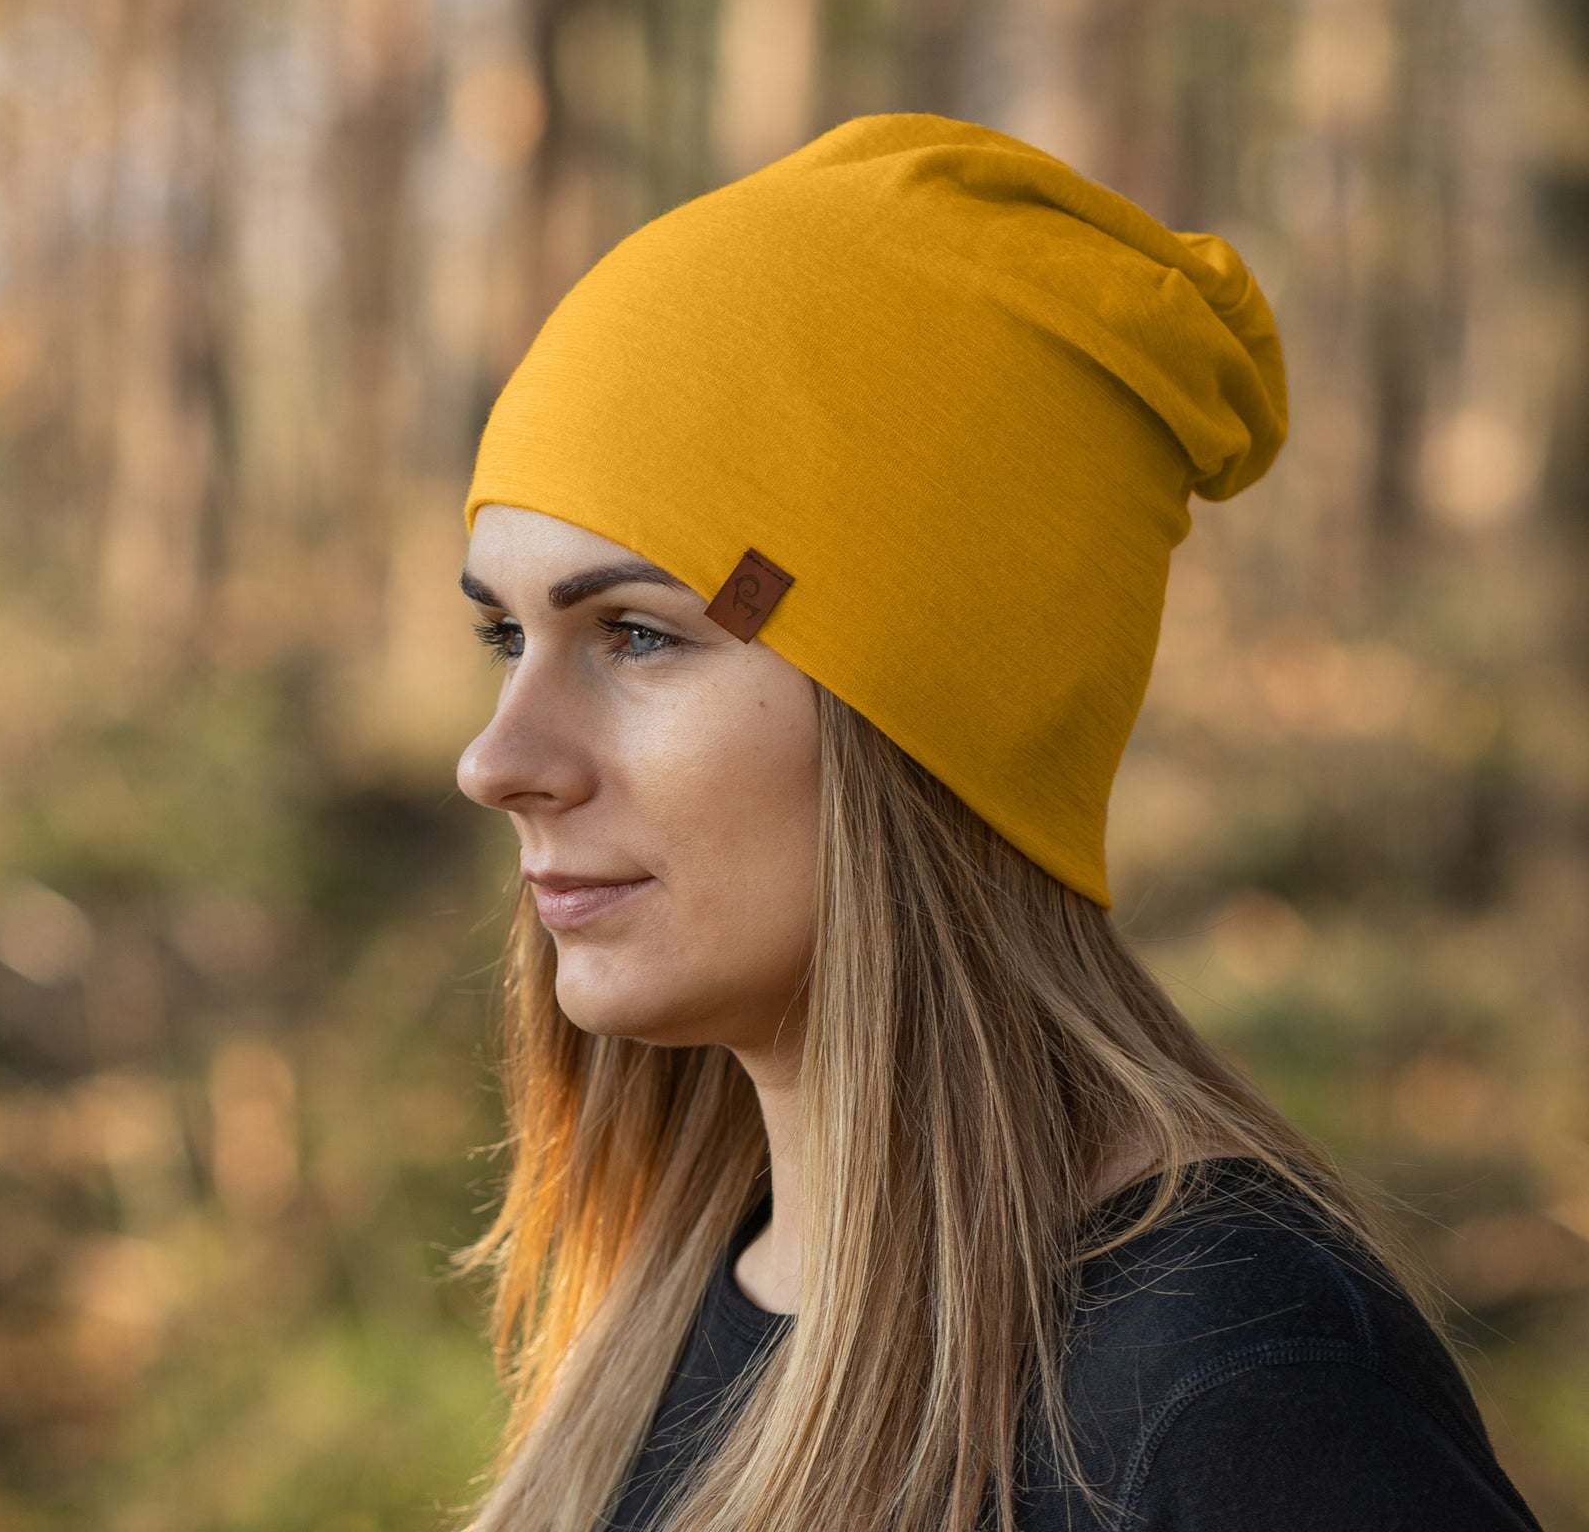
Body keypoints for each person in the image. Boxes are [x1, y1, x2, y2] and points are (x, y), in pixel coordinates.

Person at [446, 113, 1545, 1532]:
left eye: (639, 635)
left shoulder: (1228, 1396)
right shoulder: (684, 1300)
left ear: (935, 716)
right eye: (504, 638)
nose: (498, 760)